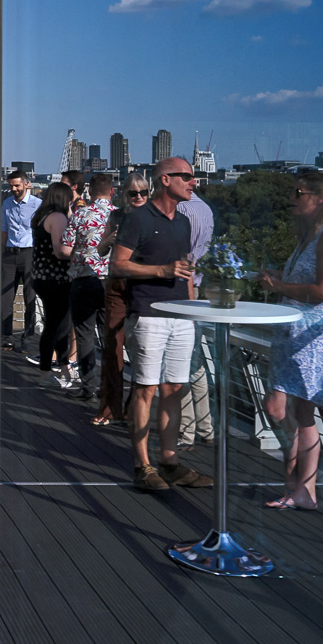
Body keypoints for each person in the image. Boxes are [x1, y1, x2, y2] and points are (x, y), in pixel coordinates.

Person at [110, 157, 213, 492]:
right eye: (186, 176)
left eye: (193, 177)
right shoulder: (138, 219)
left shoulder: (183, 222)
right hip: (149, 315)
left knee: (174, 388)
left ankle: (170, 462)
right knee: (146, 389)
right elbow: (118, 265)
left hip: (181, 317)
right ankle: (143, 466)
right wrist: (161, 271)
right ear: (166, 180)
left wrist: (193, 307)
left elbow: (186, 269)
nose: (193, 182)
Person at [257, 171, 323, 511]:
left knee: (293, 410)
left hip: (315, 339)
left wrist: (279, 287)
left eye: (298, 192)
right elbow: (308, 282)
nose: (293, 198)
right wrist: (279, 278)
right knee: (292, 411)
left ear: (320, 197)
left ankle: (302, 486)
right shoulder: (311, 236)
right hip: (294, 335)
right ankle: (301, 486)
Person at [92, 172, 150, 425]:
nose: (138, 197)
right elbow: (100, 250)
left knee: (144, 351)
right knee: (112, 348)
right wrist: (109, 240)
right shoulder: (116, 216)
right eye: (133, 193)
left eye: (143, 192)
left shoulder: (154, 218)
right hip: (117, 285)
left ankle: (131, 408)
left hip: (144, 287)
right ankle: (108, 409)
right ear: (123, 194)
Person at [61, 173, 115, 402]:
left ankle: (88, 386)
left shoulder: (81, 214)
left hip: (83, 280)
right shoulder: (119, 214)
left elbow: (64, 249)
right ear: (112, 191)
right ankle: (111, 387)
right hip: (110, 281)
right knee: (110, 336)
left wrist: (80, 254)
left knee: (84, 335)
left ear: (89, 192)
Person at [177, 185, 217, 448]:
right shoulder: (206, 209)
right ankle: (205, 426)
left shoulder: (180, 210)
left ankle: (186, 430)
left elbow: (184, 256)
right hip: (199, 289)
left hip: (181, 290)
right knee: (195, 362)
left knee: (180, 361)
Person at [29, 182, 74, 383]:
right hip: (56, 278)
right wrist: (81, 252)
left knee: (57, 323)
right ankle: (46, 372)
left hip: (41, 276)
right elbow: (60, 251)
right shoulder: (58, 218)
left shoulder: (42, 217)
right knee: (58, 326)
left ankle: (64, 368)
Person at [0, 170, 41, 351]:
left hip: (29, 253)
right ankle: (6, 337)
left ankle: (28, 339)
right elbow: (3, 229)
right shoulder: (6, 203)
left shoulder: (37, 204)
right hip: (9, 254)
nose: (14, 189)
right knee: (5, 299)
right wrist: (1, 253)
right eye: (11, 186)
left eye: (17, 185)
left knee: (29, 298)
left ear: (26, 184)